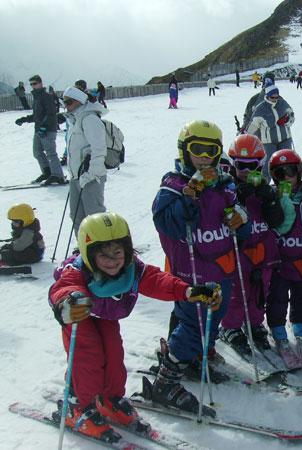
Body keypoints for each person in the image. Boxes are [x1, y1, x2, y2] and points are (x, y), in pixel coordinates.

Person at [49, 211, 223, 437]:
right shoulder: (78, 270)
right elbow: (64, 287)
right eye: (104, 255)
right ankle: (75, 405)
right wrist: (67, 302)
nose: (113, 261)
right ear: (89, 253)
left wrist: (188, 290)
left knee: (113, 355)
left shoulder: (131, 269)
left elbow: (156, 280)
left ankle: (109, 398)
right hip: (79, 315)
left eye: (118, 252)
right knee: (88, 358)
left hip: (105, 316)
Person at [151, 120, 247, 411]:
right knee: (195, 325)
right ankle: (166, 380)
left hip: (222, 268)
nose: (205, 156)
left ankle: (192, 357)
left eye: (211, 150)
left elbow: (236, 218)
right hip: (191, 272)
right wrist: (190, 196)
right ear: (184, 150)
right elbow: (168, 223)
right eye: (198, 149)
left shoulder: (224, 183)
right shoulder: (174, 185)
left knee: (210, 321)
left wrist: (239, 218)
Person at [219, 135, 284, 354]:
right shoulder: (227, 190)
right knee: (237, 292)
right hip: (239, 252)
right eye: (241, 165)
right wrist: (236, 196)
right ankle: (231, 326)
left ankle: (255, 323)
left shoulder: (266, 190)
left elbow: (278, 221)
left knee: (259, 291)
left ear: (261, 164)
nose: (247, 170)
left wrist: (270, 199)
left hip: (263, 252)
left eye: (252, 165)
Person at [266, 149, 302, 358]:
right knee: (277, 297)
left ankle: (300, 332)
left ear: (299, 172)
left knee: (301, 296)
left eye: (291, 171)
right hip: (279, 259)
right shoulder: (271, 196)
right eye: (279, 173)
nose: (286, 177)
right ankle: (278, 332)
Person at [62, 86, 109, 234]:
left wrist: (91, 174)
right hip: (76, 176)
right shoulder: (75, 120)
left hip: (91, 177)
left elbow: (99, 149)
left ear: (79, 101)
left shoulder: (90, 119)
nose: (66, 105)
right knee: (76, 217)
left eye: (69, 102)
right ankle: (84, 247)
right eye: (64, 102)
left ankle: (101, 248)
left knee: (95, 216)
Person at [14, 75, 65, 185]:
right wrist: (24, 119)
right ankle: (47, 172)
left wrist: (44, 127)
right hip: (38, 129)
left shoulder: (46, 96)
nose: (33, 86)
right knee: (37, 152)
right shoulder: (36, 98)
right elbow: (37, 116)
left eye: (35, 83)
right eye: (31, 84)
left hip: (47, 129)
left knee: (50, 152)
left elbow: (51, 114)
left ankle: (58, 175)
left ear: (41, 83)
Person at [246, 85, 295, 180]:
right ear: (267, 96)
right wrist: (247, 137)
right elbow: (253, 125)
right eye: (272, 97)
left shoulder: (283, 103)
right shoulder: (261, 108)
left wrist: (287, 121)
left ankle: (286, 184)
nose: (275, 99)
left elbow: (292, 116)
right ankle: (265, 183)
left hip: (285, 139)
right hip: (269, 142)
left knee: (286, 163)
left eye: (277, 97)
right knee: (268, 165)